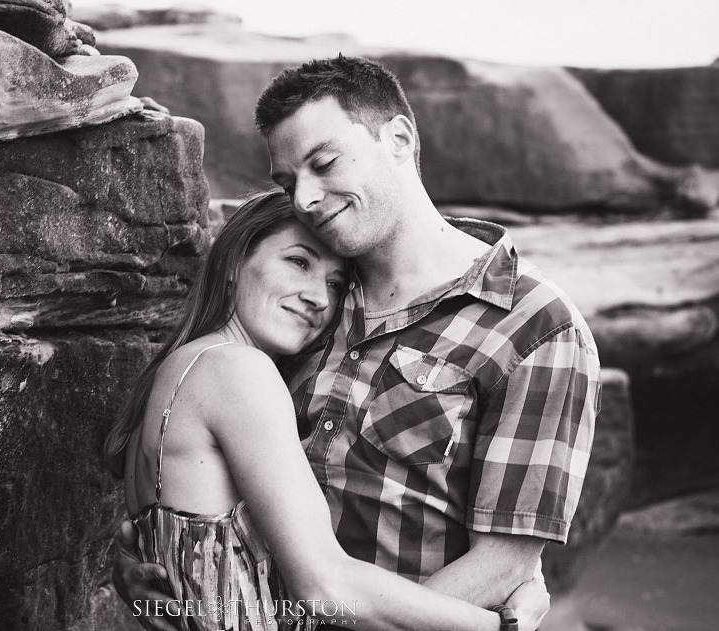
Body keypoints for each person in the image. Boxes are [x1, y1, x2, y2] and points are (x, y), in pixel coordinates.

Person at [115, 55, 600, 629]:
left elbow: (504, 561)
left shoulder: (536, 327)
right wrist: (167, 557)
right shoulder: (303, 306)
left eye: (324, 163)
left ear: (397, 137)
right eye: (288, 182)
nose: (305, 199)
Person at [104, 191, 549, 631]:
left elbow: (189, 589)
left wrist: (521, 574)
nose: (319, 297)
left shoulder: (179, 371)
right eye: (298, 262)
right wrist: (499, 626)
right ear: (234, 265)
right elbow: (324, 586)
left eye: (335, 284)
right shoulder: (236, 370)